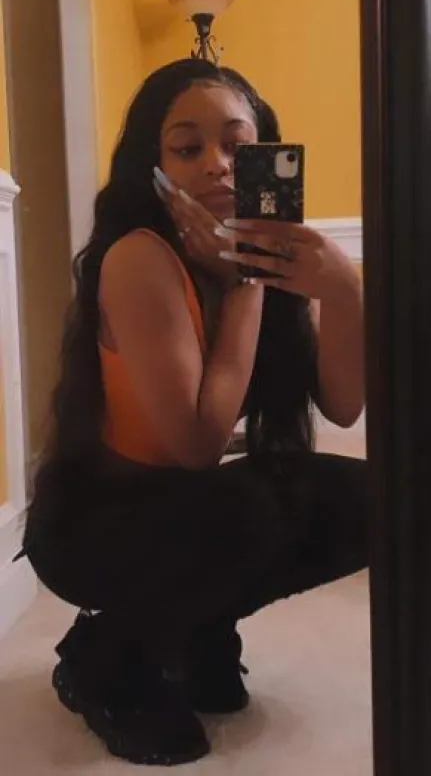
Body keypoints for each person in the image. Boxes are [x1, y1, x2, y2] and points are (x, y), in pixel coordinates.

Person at [22, 58, 368, 767]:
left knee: (369, 500)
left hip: (181, 510)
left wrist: (342, 288)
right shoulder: (138, 258)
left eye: (237, 146)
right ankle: (104, 658)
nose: (216, 164)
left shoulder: (267, 255)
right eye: (187, 148)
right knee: (243, 508)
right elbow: (194, 445)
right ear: (153, 169)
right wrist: (246, 279)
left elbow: (342, 405)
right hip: (93, 523)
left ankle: (195, 629)